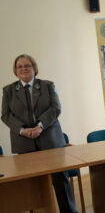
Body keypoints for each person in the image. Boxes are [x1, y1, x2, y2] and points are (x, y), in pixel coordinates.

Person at [1, 54, 77, 213]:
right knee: (33, 185)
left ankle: (69, 211)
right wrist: (22, 130)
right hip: (24, 142)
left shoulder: (47, 85)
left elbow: (56, 108)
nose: (23, 69)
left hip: (50, 140)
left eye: (27, 65)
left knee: (60, 180)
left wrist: (40, 126)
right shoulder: (8, 90)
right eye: (19, 66)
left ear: (34, 68)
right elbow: (5, 115)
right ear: (15, 70)